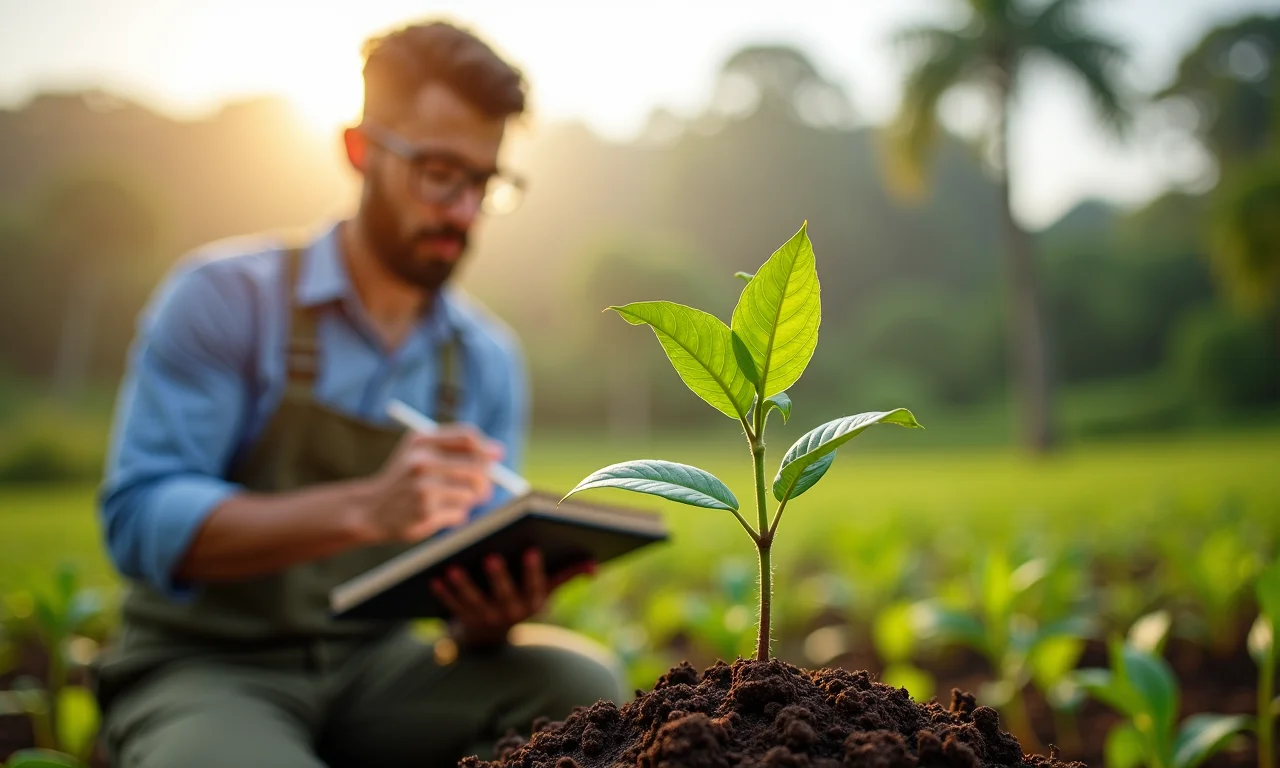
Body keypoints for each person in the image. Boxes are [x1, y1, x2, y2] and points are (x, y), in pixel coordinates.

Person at [93, 20, 624, 768]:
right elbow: (140, 518)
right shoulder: (223, 299)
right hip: (208, 666)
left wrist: (488, 618)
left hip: (377, 671)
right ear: (360, 149)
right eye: (441, 173)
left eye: (484, 182)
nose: (463, 212)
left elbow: (457, 570)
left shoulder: (484, 360)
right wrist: (365, 508)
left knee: (580, 690)